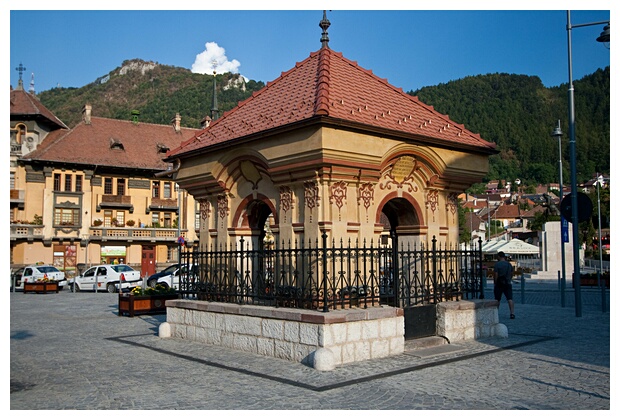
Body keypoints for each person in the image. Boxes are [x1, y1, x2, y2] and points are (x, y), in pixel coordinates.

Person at [493, 251, 515, 319]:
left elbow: (496, 274)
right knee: (510, 299)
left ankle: (496, 314)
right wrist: (509, 279)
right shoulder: (509, 264)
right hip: (508, 283)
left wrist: (495, 282)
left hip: (499, 283)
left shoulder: (497, 264)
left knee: (497, 299)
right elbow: (512, 273)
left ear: (499, 257)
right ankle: (512, 313)